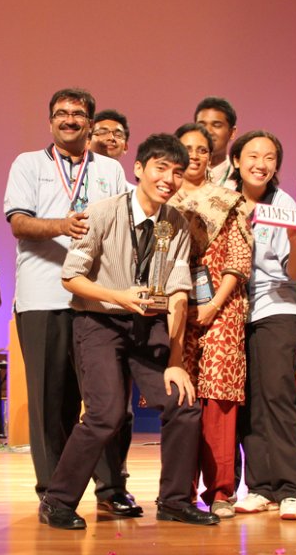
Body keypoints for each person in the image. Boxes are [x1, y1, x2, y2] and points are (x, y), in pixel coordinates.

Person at [40, 133, 217, 529]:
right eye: (160, 168)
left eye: (177, 172)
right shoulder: (103, 212)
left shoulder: (176, 224)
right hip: (99, 321)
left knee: (183, 404)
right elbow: (71, 277)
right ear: (139, 169)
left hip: (148, 324)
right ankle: (57, 500)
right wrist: (118, 296)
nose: (168, 179)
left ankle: (174, 501)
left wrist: (176, 361)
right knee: (106, 413)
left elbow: (178, 294)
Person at [4, 88, 136, 514]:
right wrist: (63, 225)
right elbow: (19, 223)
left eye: (78, 113)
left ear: (90, 124)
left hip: (96, 298)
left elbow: (126, 222)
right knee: (50, 402)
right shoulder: (28, 164)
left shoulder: (110, 169)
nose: (69, 119)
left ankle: (111, 490)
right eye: (61, 113)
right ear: (50, 122)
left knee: (104, 401)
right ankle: (54, 493)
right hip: (43, 296)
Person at [225, 130, 296, 519]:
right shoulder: (225, 201)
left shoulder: (282, 204)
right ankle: (260, 487)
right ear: (236, 161)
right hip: (234, 311)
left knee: (277, 396)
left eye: (269, 157)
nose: (260, 164)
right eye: (252, 156)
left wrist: (295, 240)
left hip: (276, 307)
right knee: (248, 402)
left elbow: (294, 272)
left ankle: (291, 489)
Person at [167, 122, 251, 519]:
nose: (195, 155)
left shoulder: (228, 201)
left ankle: (220, 491)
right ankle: (178, 490)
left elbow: (239, 258)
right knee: (181, 395)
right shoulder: (164, 201)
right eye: (187, 148)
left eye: (202, 149)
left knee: (219, 397)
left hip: (223, 307)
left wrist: (215, 304)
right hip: (176, 308)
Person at [194, 96, 238, 186]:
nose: (208, 131)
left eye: (216, 125)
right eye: (201, 125)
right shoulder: (180, 174)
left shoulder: (241, 178)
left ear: (232, 133)